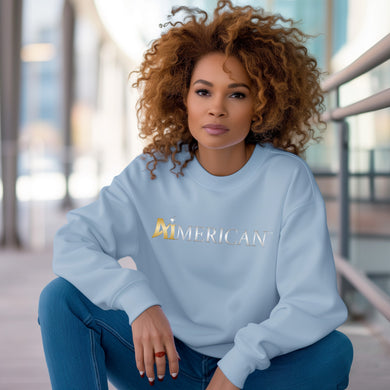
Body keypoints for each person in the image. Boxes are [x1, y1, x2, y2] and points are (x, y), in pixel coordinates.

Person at [38, 1, 353, 389]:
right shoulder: (152, 173)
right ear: (182, 98)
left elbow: (313, 302)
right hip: (164, 365)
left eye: (236, 94)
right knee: (62, 299)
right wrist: (138, 300)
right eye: (203, 92)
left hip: (253, 374)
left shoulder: (287, 180)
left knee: (335, 352)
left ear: (261, 105)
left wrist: (238, 365)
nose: (216, 109)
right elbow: (72, 242)